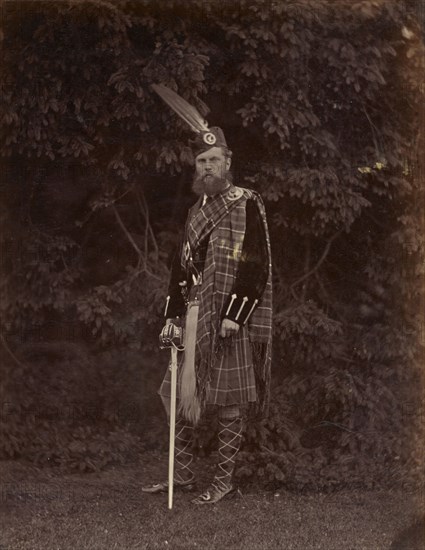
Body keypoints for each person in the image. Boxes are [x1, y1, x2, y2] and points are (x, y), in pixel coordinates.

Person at [142, 98, 272, 504]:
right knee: (177, 395)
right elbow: (179, 268)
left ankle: (223, 482)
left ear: (227, 161)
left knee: (228, 400)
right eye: (201, 161)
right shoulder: (195, 210)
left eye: (214, 160)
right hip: (194, 310)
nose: (207, 168)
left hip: (227, 316)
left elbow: (256, 263)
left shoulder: (245, 202)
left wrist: (235, 315)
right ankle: (179, 476)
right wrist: (172, 315)